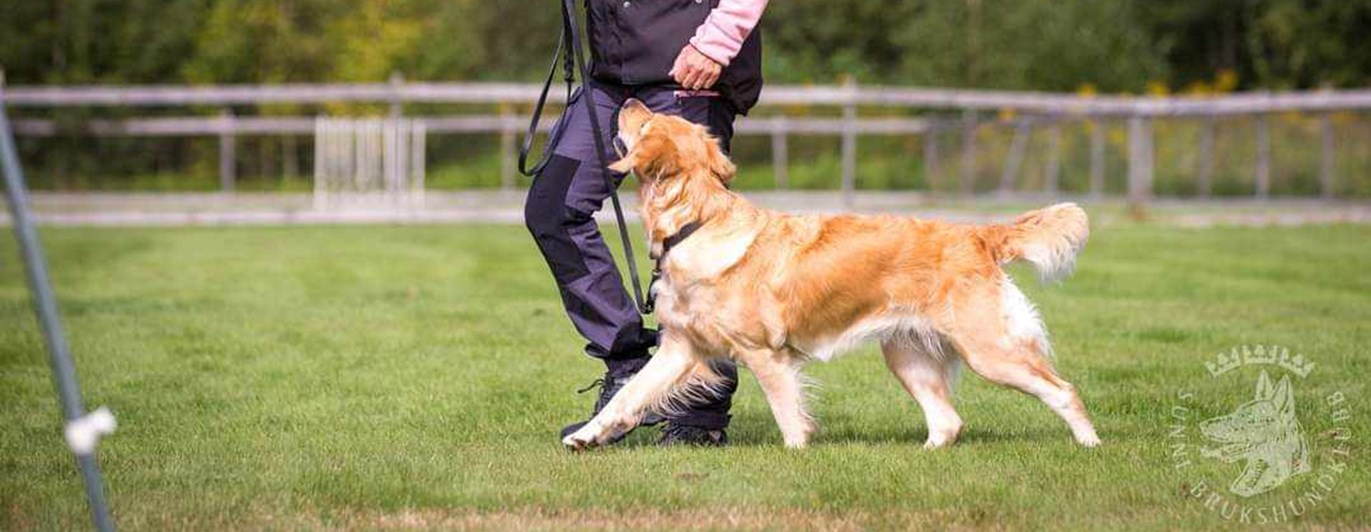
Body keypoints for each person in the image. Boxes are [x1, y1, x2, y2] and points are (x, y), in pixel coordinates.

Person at [524, 0, 770, 446]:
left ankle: (699, 413)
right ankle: (627, 364)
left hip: (689, 66)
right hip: (611, 75)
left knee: (692, 239)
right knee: (552, 208)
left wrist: (717, 43)